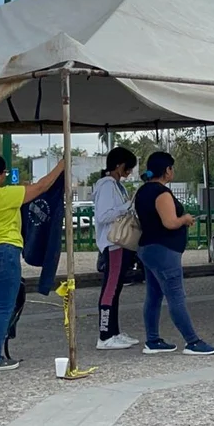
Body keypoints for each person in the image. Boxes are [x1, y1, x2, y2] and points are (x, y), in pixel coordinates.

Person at [0, 154, 65, 371]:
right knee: (3, 308)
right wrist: (62, 165)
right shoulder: (3, 196)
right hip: (3, 253)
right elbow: (42, 187)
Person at [133, 152, 214, 356]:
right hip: (164, 250)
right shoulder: (161, 193)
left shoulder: (142, 191)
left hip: (147, 247)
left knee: (153, 295)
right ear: (167, 170)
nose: (173, 171)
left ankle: (153, 339)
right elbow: (169, 222)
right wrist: (185, 219)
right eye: (172, 168)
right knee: (176, 296)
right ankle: (192, 341)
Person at [91, 147, 140, 351]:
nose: (128, 173)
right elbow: (103, 215)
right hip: (112, 243)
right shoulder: (107, 186)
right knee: (110, 288)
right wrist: (126, 207)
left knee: (117, 288)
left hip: (119, 243)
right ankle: (104, 335)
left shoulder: (117, 186)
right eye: (127, 169)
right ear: (119, 166)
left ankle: (114, 332)